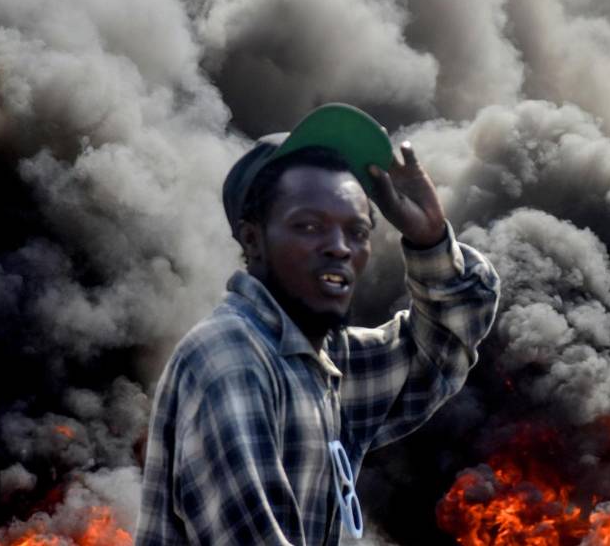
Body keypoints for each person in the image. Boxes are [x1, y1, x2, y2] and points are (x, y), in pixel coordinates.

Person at [135, 104, 500, 545]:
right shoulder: (229, 360)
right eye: (309, 226)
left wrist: (428, 240)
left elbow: (444, 342)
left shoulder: (323, 364)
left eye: (358, 232)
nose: (340, 248)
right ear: (253, 240)